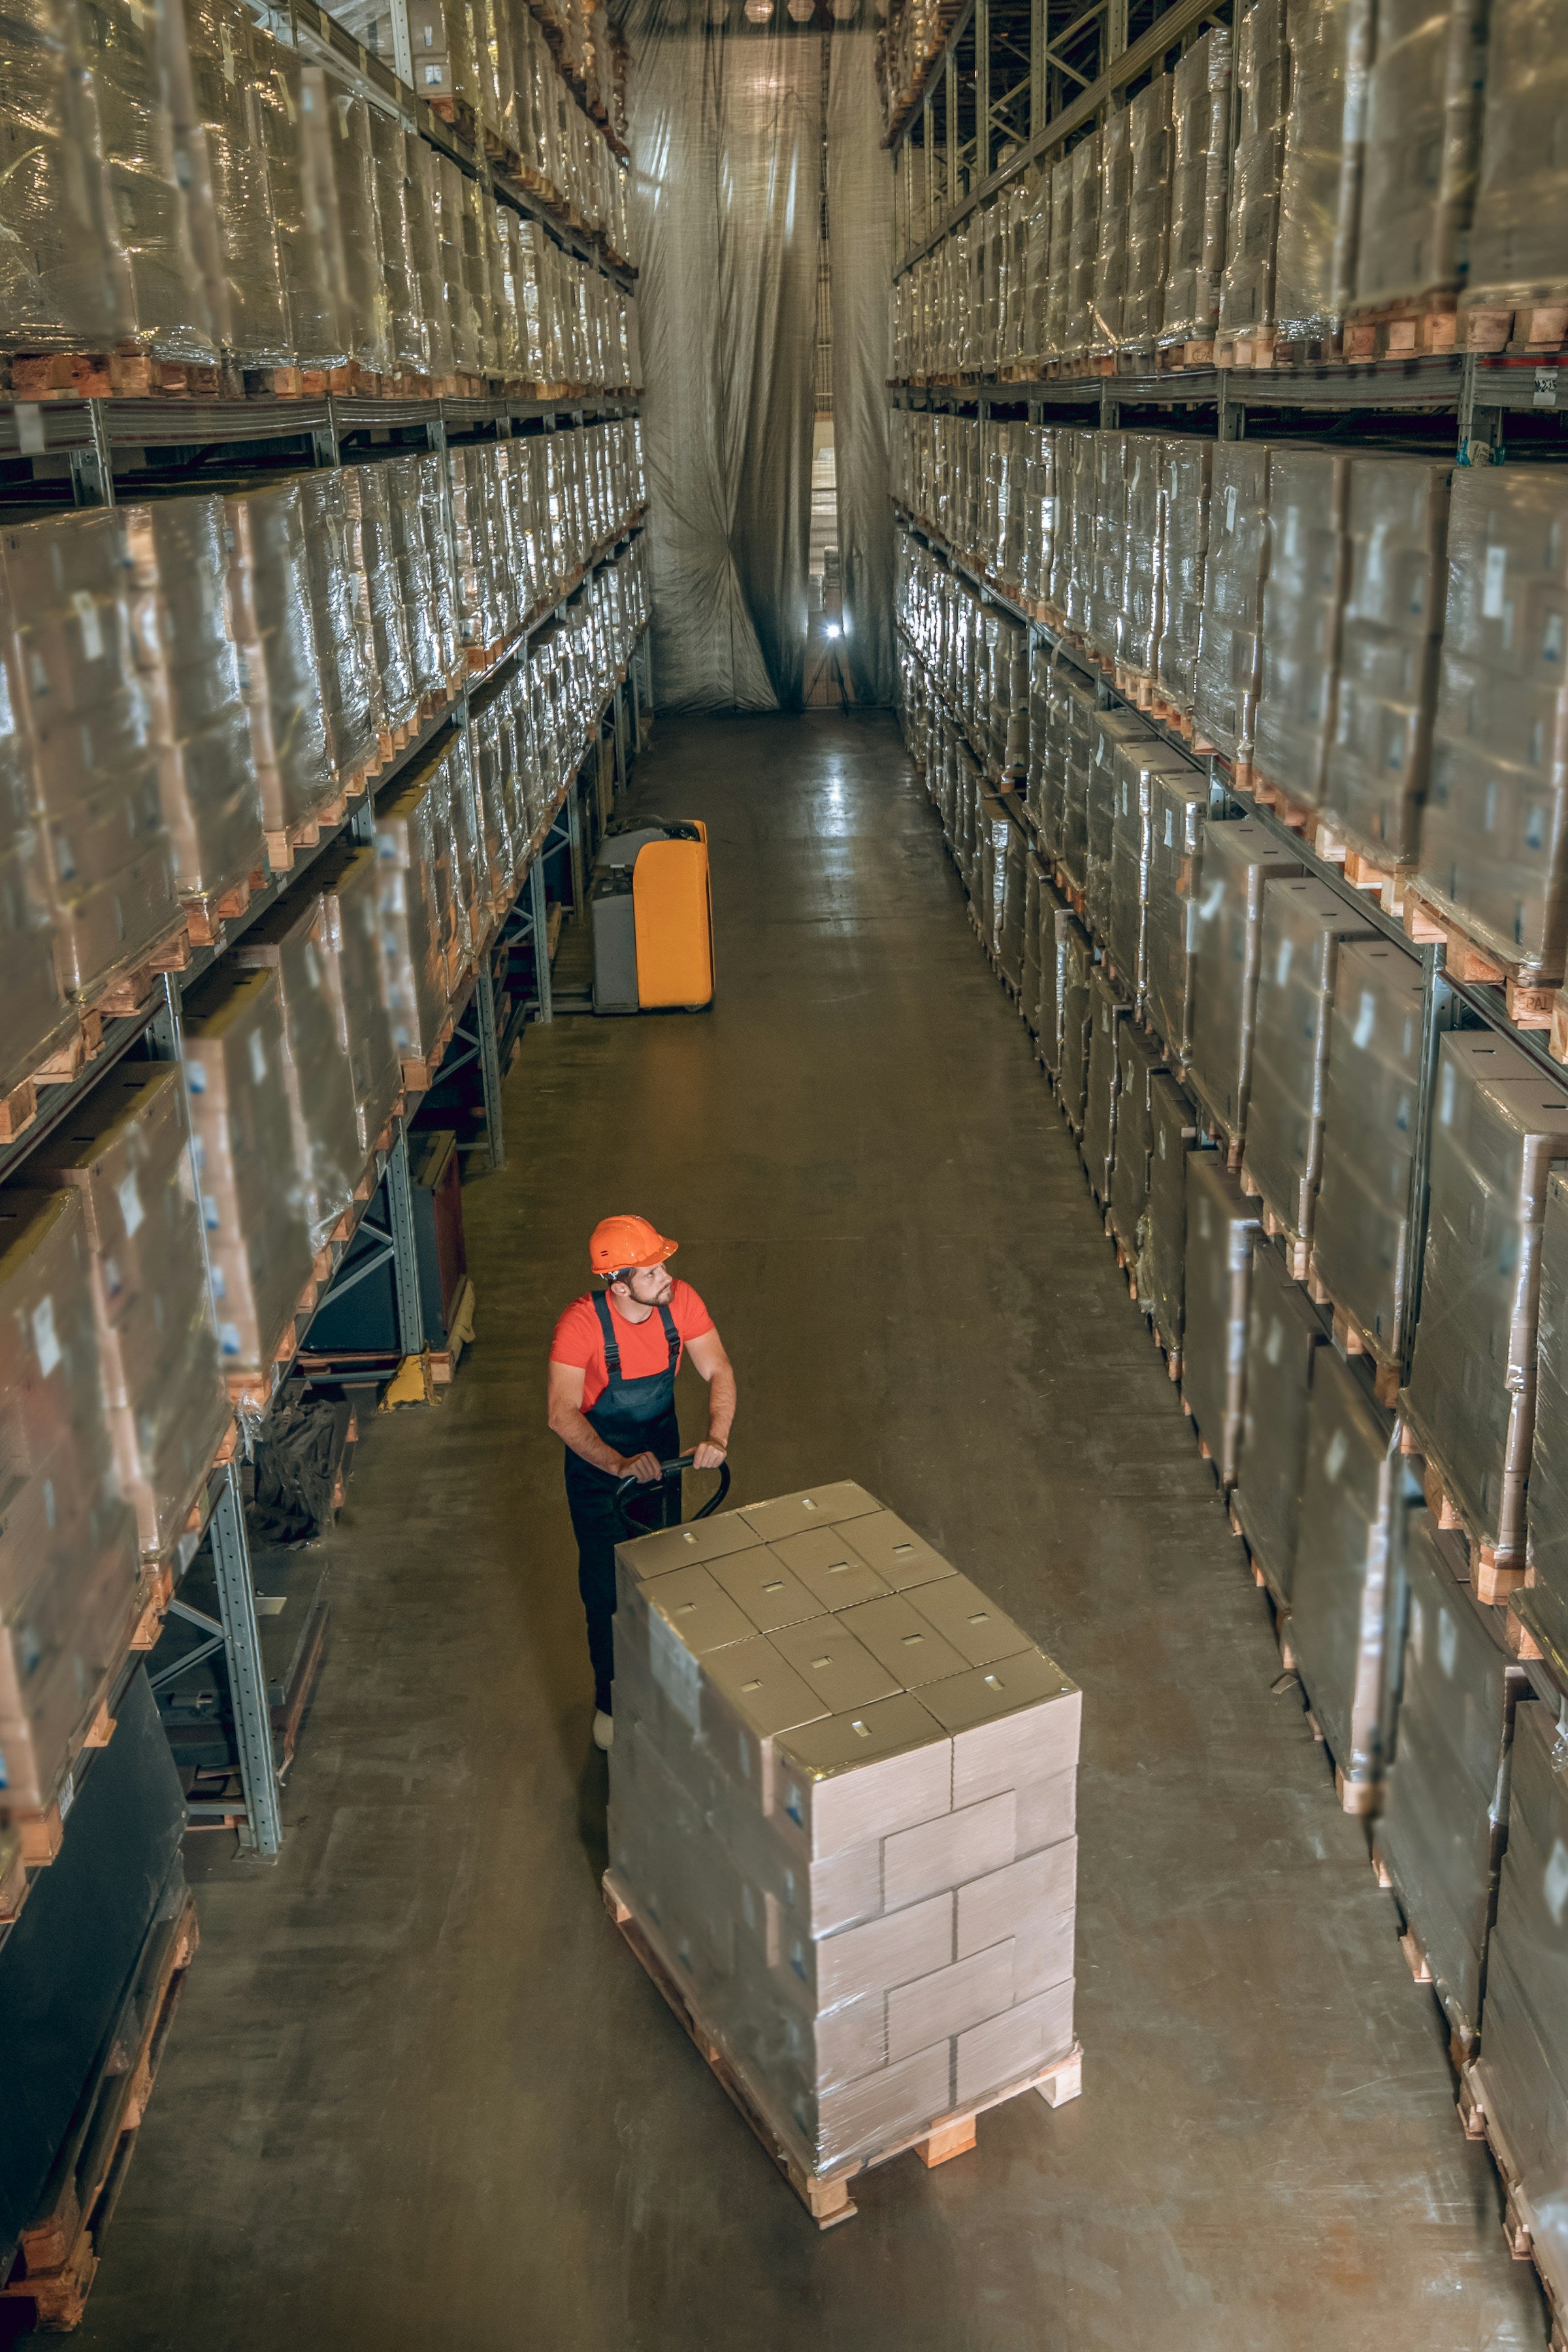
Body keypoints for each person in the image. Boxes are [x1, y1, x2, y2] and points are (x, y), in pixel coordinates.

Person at [547, 1215, 736, 1752]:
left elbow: (718, 1369)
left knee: (662, 1575)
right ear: (620, 1284)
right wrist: (617, 1465)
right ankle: (610, 1703)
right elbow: (561, 1415)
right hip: (599, 1467)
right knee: (607, 1589)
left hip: (659, 1451)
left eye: (664, 1264)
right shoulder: (580, 1325)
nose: (667, 1275)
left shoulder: (680, 1302)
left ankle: (661, 1686)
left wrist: (715, 1439)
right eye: (653, 1270)